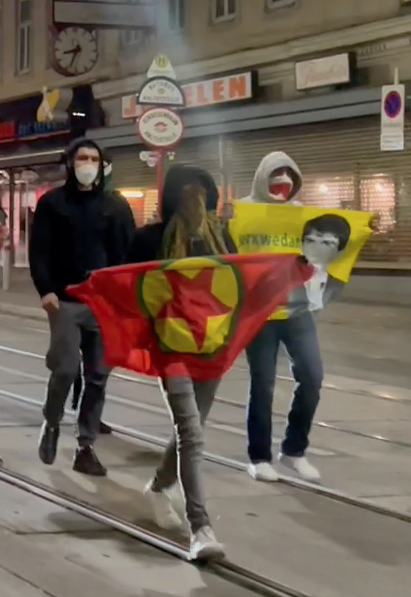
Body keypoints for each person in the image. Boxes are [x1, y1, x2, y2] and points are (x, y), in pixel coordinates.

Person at [126, 165, 231, 561]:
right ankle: (200, 527)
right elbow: (128, 284)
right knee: (191, 432)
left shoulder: (222, 239)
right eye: (187, 192)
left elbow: (242, 281)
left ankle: (158, 487)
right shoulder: (150, 239)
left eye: (202, 192)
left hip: (211, 344)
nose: (195, 200)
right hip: (169, 346)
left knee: (193, 428)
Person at [27, 138, 133, 476]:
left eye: (94, 159)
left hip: (103, 303)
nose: (88, 164)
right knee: (66, 368)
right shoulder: (52, 203)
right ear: (70, 163)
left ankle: (85, 446)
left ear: (102, 165)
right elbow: (39, 250)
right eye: (82, 158)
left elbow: (126, 253)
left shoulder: (115, 205)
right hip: (65, 300)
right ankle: (52, 421)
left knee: (98, 376)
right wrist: (46, 290)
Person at [239, 150, 328, 484]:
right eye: (276, 174)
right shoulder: (244, 211)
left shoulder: (301, 215)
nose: (283, 181)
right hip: (259, 313)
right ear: (262, 177)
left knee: (313, 377)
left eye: (290, 175)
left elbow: (323, 249)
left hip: (297, 309)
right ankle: (259, 456)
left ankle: (294, 450)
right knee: (262, 384)